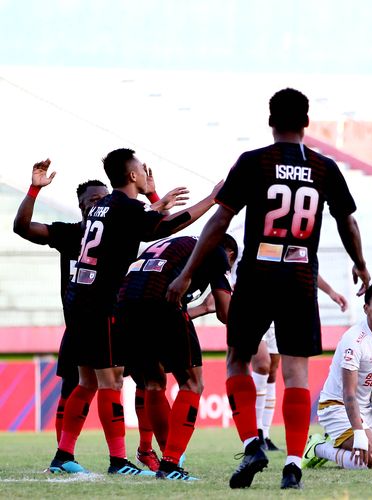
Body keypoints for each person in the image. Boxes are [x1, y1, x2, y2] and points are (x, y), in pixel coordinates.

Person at [166, 88, 371, 490]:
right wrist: (361, 265)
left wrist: (188, 272)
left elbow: (219, 222)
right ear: (307, 122)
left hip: (257, 274)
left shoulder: (255, 162)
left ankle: (251, 443)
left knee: (237, 360)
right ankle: (293, 462)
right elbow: (348, 222)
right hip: (299, 278)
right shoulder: (324, 167)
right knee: (296, 372)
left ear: (271, 121)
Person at [48, 148, 221, 476]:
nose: (145, 173)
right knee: (110, 380)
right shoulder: (126, 207)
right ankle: (118, 461)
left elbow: (139, 223)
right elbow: (164, 228)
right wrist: (212, 199)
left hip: (78, 300)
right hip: (103, 302)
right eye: (141, 170)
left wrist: (155, 202)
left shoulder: (102, 207)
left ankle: (63, 455)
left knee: (85, 381)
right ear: (132, 176)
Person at [12, 159, 185, 460]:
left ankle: (144, 449)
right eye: (93, 200)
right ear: (80, 205)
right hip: (84, 319)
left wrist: (153, 199)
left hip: (113, 316)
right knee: (78, 385)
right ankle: (70, 455)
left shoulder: (120, 228)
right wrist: (34, 191)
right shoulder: (70, 233)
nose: (100, 203)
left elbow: (159, 231)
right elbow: (22, 227)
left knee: (142, 377)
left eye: (103, 198)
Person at [116, 234, 238, 480]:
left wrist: (202, 308)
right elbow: (226, 314)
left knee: (153, 382)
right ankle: (171, 463)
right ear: (231, 255)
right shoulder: (217, 251)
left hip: (124, 304)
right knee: (192, 382)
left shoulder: (174, 244)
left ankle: (167, 460)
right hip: (161, 304)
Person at [302, 281, 372, 470]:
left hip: (367, 408)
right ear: (366, 308)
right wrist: (359, 432)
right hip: (338, 407)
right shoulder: (354, 340)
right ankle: (319, 448)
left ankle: (347, 437)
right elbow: (348, 393)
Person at [250, 274, 349, 452]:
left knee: (272, 371)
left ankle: (264, 434)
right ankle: (254, 433)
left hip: (279, 310)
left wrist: (331, 292)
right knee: (262, 364)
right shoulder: (249, 247)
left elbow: (306, 264)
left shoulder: (290, 247)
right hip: (254, 305)